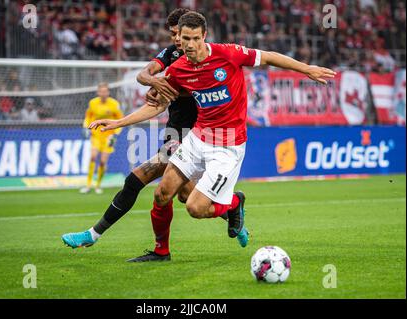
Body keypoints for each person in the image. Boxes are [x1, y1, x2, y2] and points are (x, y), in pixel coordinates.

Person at [88, 12, 335, 242]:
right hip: (196, 139)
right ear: (178, 38)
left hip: (228, 143)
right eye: (185, 38)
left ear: (204, 36)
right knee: (163, 194)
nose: (190, 44)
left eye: (196, 38)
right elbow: (158, 105)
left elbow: (268, 56)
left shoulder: (228, 54)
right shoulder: (178, 70)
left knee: (195, 208)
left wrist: (306, 69)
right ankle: (160, 251)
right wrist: (118, 123)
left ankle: (234, 203)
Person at [61, 9, 250, 261]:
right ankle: (231, 210)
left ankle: (94, 235)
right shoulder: (172, 56)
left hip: (197, 134)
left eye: (180, 35)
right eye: (174, 34)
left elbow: (195, 89)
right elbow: (146, 79)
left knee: (138, 179)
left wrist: (163, 89)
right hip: (174, 130)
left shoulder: (209, 60)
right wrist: (151, 85)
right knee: (181, 195)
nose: (177, 40)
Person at [79, 82, 123, 194]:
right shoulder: (93, 103)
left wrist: (115, 134)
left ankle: (98, 185)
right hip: (96, 135)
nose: (103, 93)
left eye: (105, 91)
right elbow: (88, 116)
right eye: (101, 91)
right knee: (93, 157)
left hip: (109, 136)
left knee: (103, 161)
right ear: (98, 92)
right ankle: (88, 185)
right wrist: (86, 127)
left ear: (108, 92)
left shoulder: (114, 104)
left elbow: (120, 120)